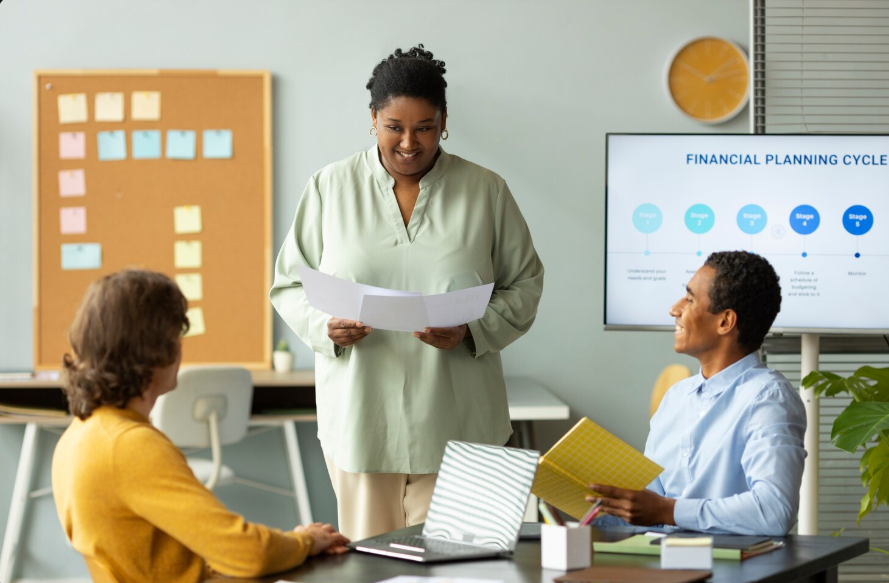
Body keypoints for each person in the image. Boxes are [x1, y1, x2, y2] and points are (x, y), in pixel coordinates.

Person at [270, 44, 544, 541]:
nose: (409, 142)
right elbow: (289, 283)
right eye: (395, 126)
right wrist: (323, 327)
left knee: (463, 570)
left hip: (461, 422)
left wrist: (471, 330)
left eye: (424, 127)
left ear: (444, 121)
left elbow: (525, 282)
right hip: (361, 422)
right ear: (372, 118)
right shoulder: (328, 188)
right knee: (368, 567)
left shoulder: (487, 192)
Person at [52, 269, 349, 583]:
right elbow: (249, 554)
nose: (181, 346)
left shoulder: (79, 435)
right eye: (175, 334)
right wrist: (304, 542)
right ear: (153, 347)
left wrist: (293, 543)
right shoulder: (131, 446)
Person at [588, 251, 806, 536]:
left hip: (732, 570)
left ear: (725, 322)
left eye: (689, 299)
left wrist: (669, 511)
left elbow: (775, 510)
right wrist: (581, 511)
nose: (674, 309)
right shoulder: (676, 397)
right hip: (658, 563)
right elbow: (647, 505)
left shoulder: (768, 398)